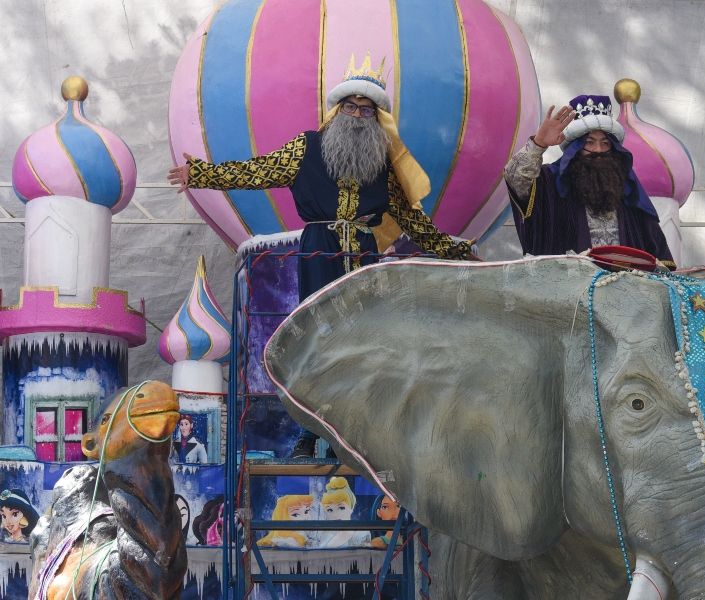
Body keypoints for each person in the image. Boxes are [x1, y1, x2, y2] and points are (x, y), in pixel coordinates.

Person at [168, 54, 475, 459]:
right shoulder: (307, 147)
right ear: (337, 109)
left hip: (362, 260)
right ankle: (310, 433)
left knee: (363, 344)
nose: (358, 115)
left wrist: (456, 250)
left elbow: (414, 223)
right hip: (319, 254)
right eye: (351, 106)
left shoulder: (382, 163)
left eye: (367, 110)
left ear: (376, 117)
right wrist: (203, 175)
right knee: (315, 343)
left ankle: (353, 433)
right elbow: (258, 171)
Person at [504, 95, 674, 268]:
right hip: (568, 289)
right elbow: (514, 177)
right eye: (589, 143)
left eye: (605, 143)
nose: (598, 150)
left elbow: (654, 247)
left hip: (625, 288)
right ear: (575, 148)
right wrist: (538, 144)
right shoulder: (551, 180)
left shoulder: (627, 187)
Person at [316, 477, 370, 548]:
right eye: (329, 510)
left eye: (341, 508)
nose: (335, 514)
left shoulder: (361, 533)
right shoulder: (322, 534)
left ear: (351, 508)